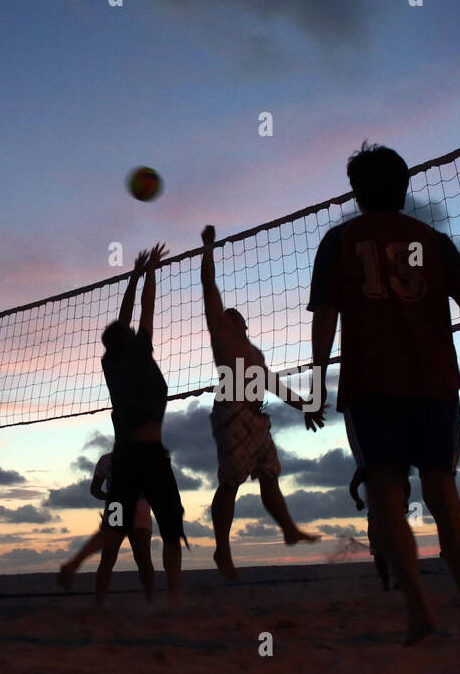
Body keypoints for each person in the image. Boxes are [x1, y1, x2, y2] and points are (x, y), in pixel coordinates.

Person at [309, 142, 460, 645]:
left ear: (357, 192)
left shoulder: (340, 239)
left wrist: (316, 379)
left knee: (384, 493)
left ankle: (420, 610)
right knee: (444, 493)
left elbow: (326, 316)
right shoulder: (432, 239)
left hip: (373, 382)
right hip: (434, 380)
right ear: (405, 187)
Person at [200, 224, 323, 579]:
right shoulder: (222, 338)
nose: (226, 315)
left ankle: (288, 529)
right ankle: (222, 550)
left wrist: (304, 405)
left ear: (243, 324)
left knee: (270, 476)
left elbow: (270, 382)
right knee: (231, 482)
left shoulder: (253, 351)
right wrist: (209, 247)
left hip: (257, 417)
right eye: (224, 314)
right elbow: (209, 288)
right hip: (232, 413)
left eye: (232, 315)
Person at [99, 244, 187, 604]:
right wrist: (149, 273)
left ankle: (101, 607)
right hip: (147, 456)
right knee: (169, 527)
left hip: (126, 460)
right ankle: (173, 601)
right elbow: (142, 311)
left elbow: (126, 317)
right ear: (128, 339)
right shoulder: (135, 352)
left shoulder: (111, 362)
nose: (134, 330)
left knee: (113, 541)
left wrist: (135, 276)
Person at [57, 451, 157, 604]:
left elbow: (94, 490)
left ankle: (98, 604)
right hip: (137, 507)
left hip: (118, 506)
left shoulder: (108, 459)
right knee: (140, 559)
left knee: (112, 560)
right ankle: (150, 603)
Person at [349, 468, 410, 591]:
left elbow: (406, 483)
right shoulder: (367, 464)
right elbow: (353, 486)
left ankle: (391, 582)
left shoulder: (369, 463)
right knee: (382, 551)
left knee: (391, 549)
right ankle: (387, 583)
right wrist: (358, 500)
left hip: (391, 512)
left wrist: (405, 500)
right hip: (380, 513)